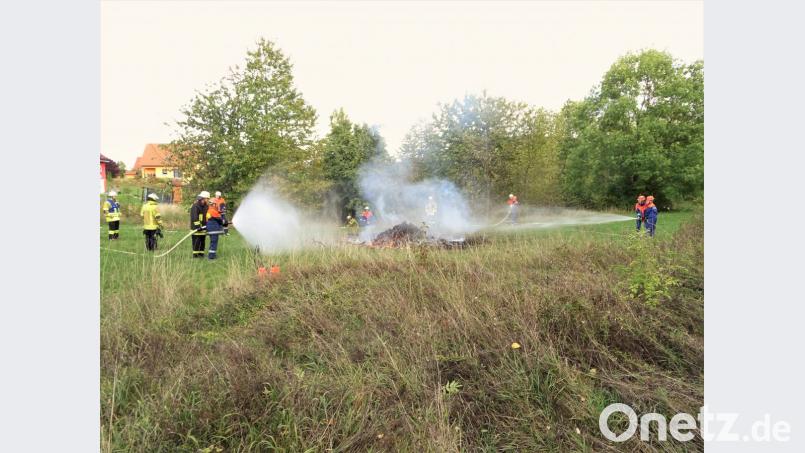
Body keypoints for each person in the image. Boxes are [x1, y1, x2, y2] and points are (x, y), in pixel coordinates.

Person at [190, 191, 210, 258]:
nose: (208, 200)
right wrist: (198, 227)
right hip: (196, 229)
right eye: (207, 199)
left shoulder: (206, 206)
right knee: (196, 242)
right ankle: (195, 255)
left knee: (202, 242)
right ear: (203, 198)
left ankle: (201, 254)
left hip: (203, 228)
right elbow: (195, 218)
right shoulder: (195, 206)